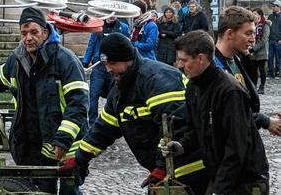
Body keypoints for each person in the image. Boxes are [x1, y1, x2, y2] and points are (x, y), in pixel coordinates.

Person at [0, 7, 89, 194]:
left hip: (66, 147)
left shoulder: (65, 61)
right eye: (24, 33)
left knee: (69, 191)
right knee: (40, 191)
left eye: (34, 32)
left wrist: (63, 139)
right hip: (33, 146)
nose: (28, 37)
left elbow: (78, 105)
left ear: (45, 33)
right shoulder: (17, 60)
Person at [61, 33, 207, 195]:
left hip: (192, 169)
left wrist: (161, 167)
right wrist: (79, 159)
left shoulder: (156, 79)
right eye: (105, 64)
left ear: (128, 59)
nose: (109, 69)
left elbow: (176, 126)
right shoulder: (120, 90)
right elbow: (103, 129)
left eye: (113, 63)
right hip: (166, 172)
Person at [164, 30, 269, 194]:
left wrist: (218, 190)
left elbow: (236, 147)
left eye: (183, 60)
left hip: (246, 180)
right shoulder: (193, 87)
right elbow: (195, 129)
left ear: (200, 59)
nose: (179, 65)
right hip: (220, 174)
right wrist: (181, 145)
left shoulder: (230, 91)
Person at [213, 6, 281, 136]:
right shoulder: (213, 67)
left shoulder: (237, 59)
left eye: (254, 33)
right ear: (230, 34)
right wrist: (264, 120)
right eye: (248, 33)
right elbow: (225, 116)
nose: (253, 39)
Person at [82, 14, 129, 124]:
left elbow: (127, 45)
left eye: (115, 14)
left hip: (115, 68)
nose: (112, 16)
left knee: (113, 96)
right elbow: (91, 44)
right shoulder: (98, 27)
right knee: (93, 95)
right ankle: (93, 123)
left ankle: (110, 122)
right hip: (99, 67)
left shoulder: (123, 28)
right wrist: (85, 62)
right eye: (110, 14)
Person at [250, 8, 270, 94]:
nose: (253, 15)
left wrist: (254, 48)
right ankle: (254, 85)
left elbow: (264, 39)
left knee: (262, 70)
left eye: (255, 14)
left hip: (261, 51)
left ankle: (262, 87)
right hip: (253, 52)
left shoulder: (265, 24)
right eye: (253, 13)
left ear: (260, 15)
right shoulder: (252, 24)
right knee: (253, 70)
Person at [268, 0, 281, 78]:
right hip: (270, 40)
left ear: (279, 7)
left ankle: (277, 72)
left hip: (278, 41)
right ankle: (270, 73)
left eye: (274, 6)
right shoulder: (270, 16)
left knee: (278, 58)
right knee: (270, 57)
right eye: (272, 6)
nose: (272, 7)